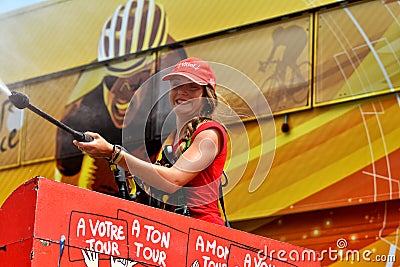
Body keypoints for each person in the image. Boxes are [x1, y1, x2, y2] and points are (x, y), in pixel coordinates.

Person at [73, 57, 228, 226]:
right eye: (176, 84)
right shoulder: (172, 139)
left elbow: (173, 181)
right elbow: (163, 187)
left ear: (207, 95)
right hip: (175, 231)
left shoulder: (209, 133)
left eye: (192, 87)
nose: (182, 91)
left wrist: (114, 154)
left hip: (204, 235)